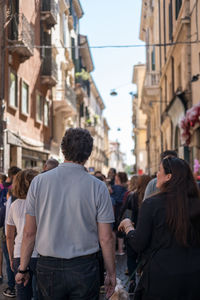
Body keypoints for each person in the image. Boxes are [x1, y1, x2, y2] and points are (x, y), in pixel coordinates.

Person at [15, 128, 116, 300]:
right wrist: (111, 273)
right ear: (89, 153)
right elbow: (106, 238)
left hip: (48, 267)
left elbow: (29, 232)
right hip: (85, 267)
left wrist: (22, 268)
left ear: (63, 150)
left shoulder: (39, 182)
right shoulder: (98, 187)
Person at [119, 157, 200, 300]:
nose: (156, 174)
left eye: (159, 170)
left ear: (169, 176)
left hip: (161, 278)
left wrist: (128, 226)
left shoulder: (151, 204)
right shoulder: (196, 203)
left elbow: (139, 243)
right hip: (193, 276)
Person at [6, 169, 39, 300]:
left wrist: (11, 257)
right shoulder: (41, 204)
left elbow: (9, 236)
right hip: (40, 254)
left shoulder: (14, 205)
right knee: (40, 294)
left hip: (19, 253)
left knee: (23, 295)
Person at [2, 166, 21, 298]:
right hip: (19, 236)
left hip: (10, 233)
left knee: (11, 262)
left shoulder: (10, 195)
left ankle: (12, 286)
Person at [110, 172, 128, 255]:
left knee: (113, 231)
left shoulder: (113, 188)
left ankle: (113, 251)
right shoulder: (126, 189)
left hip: (113, 210)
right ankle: (121, 250)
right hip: (122, 211)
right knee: (121, 230)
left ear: (117, 178)